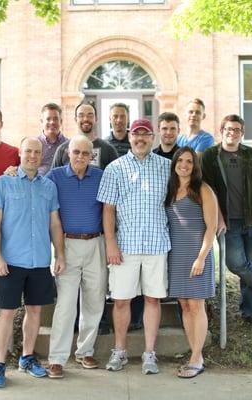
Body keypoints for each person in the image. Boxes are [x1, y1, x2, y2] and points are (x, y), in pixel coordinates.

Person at [0, 137, 65, 388]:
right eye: (28, 151)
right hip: (11, 261)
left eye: (37, 152)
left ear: (42, 155)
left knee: (35, 311)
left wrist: (59, 254)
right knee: (7, 312)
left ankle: (27, 358)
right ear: (20, 154)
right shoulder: (3, 184)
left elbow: (54, 223)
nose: (33, 155)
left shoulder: (49, 187)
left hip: (40, 260)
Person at [97, 118, 171, 375]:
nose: (141, 139)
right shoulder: (115, 168)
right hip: (125, 246)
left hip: (156, 243)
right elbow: (108, 209)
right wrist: (110, 244)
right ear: (129, 137)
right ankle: (120, 351)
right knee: (120, 300)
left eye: (146, 135)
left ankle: (149, 354)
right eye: (136, 135)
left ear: (153, 138)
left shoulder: (167, 167)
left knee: (152, 299)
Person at [200, 114, 252, 332]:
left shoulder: (250, 154)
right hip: (228, 222)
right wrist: (217, 216)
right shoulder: (210, 156)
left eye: (237, 129)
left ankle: (250, 313)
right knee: (237, 264)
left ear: (242, 133)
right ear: (222, 131)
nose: (232, 132)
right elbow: (207, 189)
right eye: (228, 129)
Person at [44, 135, 106, 379]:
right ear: (68, 153)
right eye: (76, 152)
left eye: (85, 153)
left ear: (92, 156)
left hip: (96, 243)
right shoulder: (55, 177)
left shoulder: (100, 176)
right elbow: (34, 187)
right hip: (67, 245)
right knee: (66, 304)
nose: (80, 156)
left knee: (94, 300)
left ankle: (85, 351)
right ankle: (57, 358)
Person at [165, 147, 217, 378]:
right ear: (174, 163)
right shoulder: (170, 190)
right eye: (180, 160)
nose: (184, 165)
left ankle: (197, 358)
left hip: (197, 255)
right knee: (185, 305)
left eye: (189, 161)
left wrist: (201, 257)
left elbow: (212, 227)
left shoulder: (203, 189)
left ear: (195, 166)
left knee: (197, 305)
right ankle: (194, 354)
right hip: (177, 255)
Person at [51, 102, 118, 170]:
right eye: (81, 115)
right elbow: (53, 178)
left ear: (96, 119)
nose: (86, 119)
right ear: (75, 119)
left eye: (90, 116)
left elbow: (117, 177)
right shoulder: (62, 149)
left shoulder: (108, 150)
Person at [38, 103, 67, 176]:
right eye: (48, 119)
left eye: (55, 119)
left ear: (61, 121)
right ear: (42, 121)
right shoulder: (34, 144)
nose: (52, 122)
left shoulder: (69, 145)